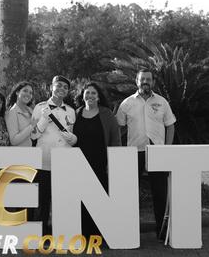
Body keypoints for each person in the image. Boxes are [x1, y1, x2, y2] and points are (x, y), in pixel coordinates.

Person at [115, 70, 176, 240]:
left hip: (158, 152)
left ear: (153, 82)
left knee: (160, 192)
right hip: (135, 152)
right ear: (136, 81)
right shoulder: (127, 103)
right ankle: (129, 231)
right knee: (130, 192)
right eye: (142, 79)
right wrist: (120, 149)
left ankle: (162, 231)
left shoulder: (162, 102)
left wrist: (167, 148)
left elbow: (170, 125)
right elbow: (117, 126)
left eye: (148, 79)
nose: (145, 82)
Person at [73, 82, 121, 238]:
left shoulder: (107, 114)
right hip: (80, 162)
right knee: (81, 197)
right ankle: (84, 232)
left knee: (100, 196)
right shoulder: (76, 113)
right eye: (87, 92)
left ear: (99, 97)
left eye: (93, 93)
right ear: (82, 95)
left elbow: (115, 139)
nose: (90, 96)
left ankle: (99, 233)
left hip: (100, 162)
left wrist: (113, 163)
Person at [31, 75, 77, 233]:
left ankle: (61, 232)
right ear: (51, 87)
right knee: (42, 199)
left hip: (64, 161)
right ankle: (41, 234)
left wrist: (73, 139)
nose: (62, 89)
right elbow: (33, 135)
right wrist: (44, 119)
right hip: (44, 159)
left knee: (62, 199)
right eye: (59, 85)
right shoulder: (39, 107)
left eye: (65, 87)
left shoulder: (71, 111)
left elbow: (71, 135)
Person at [5, 81, 37, 146]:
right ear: (17, 92)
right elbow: (13, 141)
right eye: (25, 91)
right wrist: (31, 126)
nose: (28, 94)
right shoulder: (12, 112)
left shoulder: (31, 111)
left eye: (30, 93)